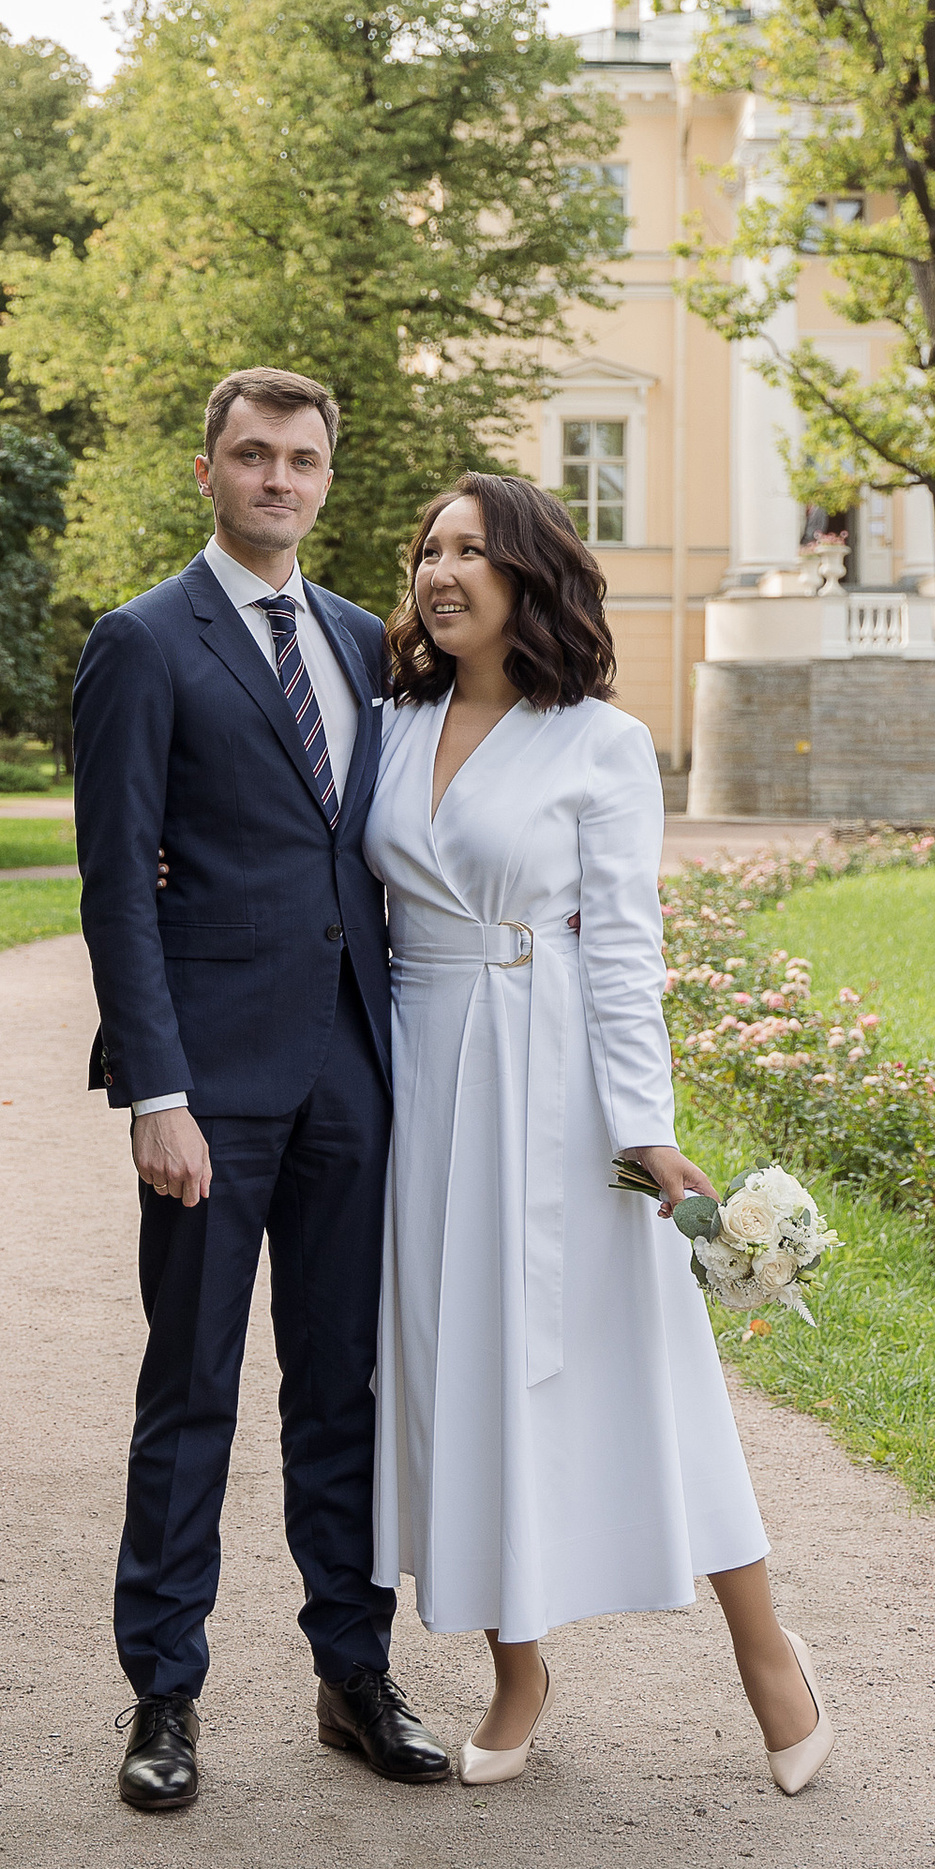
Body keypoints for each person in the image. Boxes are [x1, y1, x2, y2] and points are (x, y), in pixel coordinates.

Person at [367, 474, 832, 1793]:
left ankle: (767, 1655)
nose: (442, 572)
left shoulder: (601, 744)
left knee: (645, 1367)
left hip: (558, 1088)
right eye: (429, 550)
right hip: (420, 1082)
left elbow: (625, 950)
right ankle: (518, 1671)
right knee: (458, 1371)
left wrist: (648, 1128)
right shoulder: (394, 722)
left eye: (472, 550)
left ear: (529, 576)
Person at [73, 368, 452, 1816]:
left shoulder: (365, 641)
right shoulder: (141, 643)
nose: (276, 479)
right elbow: (118, 888)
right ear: (207, 471)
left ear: (326, 479)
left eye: (300, 459)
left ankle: (355, 1674)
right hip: (211, 1088)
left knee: (343, 1383)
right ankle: (163, 1695)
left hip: (356, 1070)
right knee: (192, 1386)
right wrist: (153, 1090)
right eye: (251, 455)